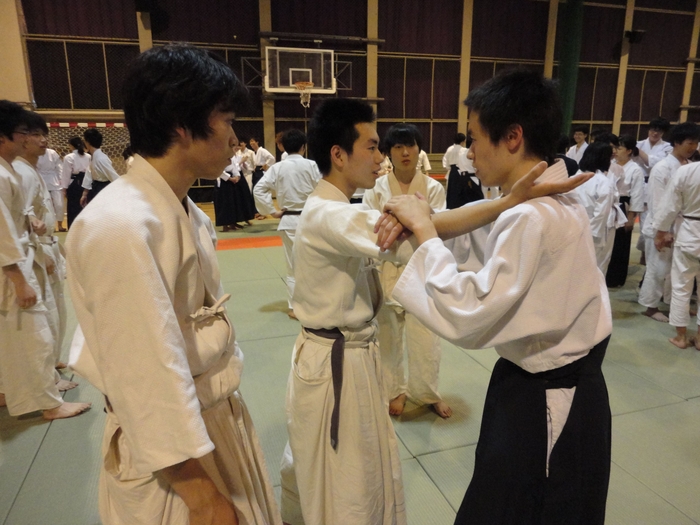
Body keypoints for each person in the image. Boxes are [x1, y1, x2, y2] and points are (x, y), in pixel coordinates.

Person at [280, 95, 589, 525]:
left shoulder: (342, 209)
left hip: (349, 354)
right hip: (335, 361)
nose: (382, 157)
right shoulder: (326, 215)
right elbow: (428, 231)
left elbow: (432, 224)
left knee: (353, 470)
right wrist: (503, 203)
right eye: (372, 146)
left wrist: (503, 203)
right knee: (343, 479)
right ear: (338, 154)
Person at [379, 69, 611, 525]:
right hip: (546, 385)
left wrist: (424, 231)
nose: (469, 150)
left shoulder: (532, 216)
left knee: (527, 511)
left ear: (512, 137)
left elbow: (469, 312)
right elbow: (479, 241)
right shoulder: (544, 202)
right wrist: (425, 223)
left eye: (474, 137)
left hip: (550, 396)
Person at [66, 44, 281, 525]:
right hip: (171, 460)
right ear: (183, 125)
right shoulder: (119, 225)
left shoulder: (185, 212)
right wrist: (201, 496)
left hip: (210, 415)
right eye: (227, 120)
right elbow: (142, 373)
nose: (234, 137)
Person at [0, 100, 91, 420]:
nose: (32, 139)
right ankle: (50, 404)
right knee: (34, 335)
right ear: (4, 137)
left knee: (16, 335)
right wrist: (19, 279)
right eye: (25, 132)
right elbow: (2, 231)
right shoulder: (6, 173)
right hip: (15, 266)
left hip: (24, 256)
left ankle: (6, 390)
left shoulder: (11, 170)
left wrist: (32, 226)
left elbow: (16, 216)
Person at [363, 123, 451, 418]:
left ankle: (427, 393)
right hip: (387, 268)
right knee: (388, 337)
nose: (405, 152)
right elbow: (370, 228)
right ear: (388, 153)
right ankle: (394, 390)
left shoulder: (432, 188)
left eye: (410, 145)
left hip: (422, 270)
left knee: (427, 337)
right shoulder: (378, 188)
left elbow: (439, 228)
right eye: (398, 147)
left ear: (419, 149)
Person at [13, 111, 69, 371]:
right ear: (21, 139)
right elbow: (24, 218)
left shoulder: (29, 170)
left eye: (43, 134)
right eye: (35, 134)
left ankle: (53, 362)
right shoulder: (20, 172)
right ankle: (47, 372)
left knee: (56, 308)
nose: (42, 139)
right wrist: (40, 252)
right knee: (47, 312)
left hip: (46, 244)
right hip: (35, 250)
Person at [253, 129, 321, 318]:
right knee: (315, 263)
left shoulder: (278, 168)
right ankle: (316, 304)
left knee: (293, 267)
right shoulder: (312, 165)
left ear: (283, 146)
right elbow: (324, 188)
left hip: (289, 220)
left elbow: (259, 189)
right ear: (303, 147)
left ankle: (295, 307)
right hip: (311, 219)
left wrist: (271, 211)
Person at [638, 122, 700, 322]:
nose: (693, 147)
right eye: (689, 143)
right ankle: (651, 306)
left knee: (675, 272)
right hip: (659, 226)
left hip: (681, 226)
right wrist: (662, 231)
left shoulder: (688, 166)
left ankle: (674, 306)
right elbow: (657, 203)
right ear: (677, 142)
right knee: (657, 269)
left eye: (696, 143)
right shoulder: (662, 168)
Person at [653, 160, 700, 349]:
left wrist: (661, 232)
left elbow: (670, 205)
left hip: (689, 233)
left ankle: (681, 336)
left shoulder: (688, 171)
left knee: (681, 286)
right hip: (689, 228)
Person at [607, 135, 646, 287]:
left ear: (629, 151)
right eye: (615, 148)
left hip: (624, 205)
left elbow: (637, 195)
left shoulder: (635, 169)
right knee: (607, 241)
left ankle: (615, 278)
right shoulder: (610, 164)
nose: (615, 151)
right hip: (609, 204)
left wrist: (631, 218)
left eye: (619, 148)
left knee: (620, 244)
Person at [575, 142, 619, 274]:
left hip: (575, 227)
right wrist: (592, 235)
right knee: (597, 269)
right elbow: (601, 212)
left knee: (576, 269)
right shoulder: (603, 181)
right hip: (595, 232)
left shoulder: (574, 177)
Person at [80, 128, 119, 207]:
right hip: (96, 188)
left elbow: (114, 177)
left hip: (103, 189)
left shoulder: (101, 158)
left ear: (87, 142)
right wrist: (85, 193)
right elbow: (89, 174)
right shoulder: (94, 156)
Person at [61, 136, 91, 228]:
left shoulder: (68, 157)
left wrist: (64, 188)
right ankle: (86, 227)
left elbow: (66, 174)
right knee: (86, 206)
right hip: (87, 181)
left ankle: (73, 228)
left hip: (75, 183)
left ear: (71, 146)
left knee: (73, 207)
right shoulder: (88, 156)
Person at [36, 142, 65, 231]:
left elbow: (59, 166)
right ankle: (51, 225)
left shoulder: (52, 153)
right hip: (40, 179)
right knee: (46, 205)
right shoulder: (35, 153)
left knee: (59, 204)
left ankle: (60, 225)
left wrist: (61, 179)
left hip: (54, 179)